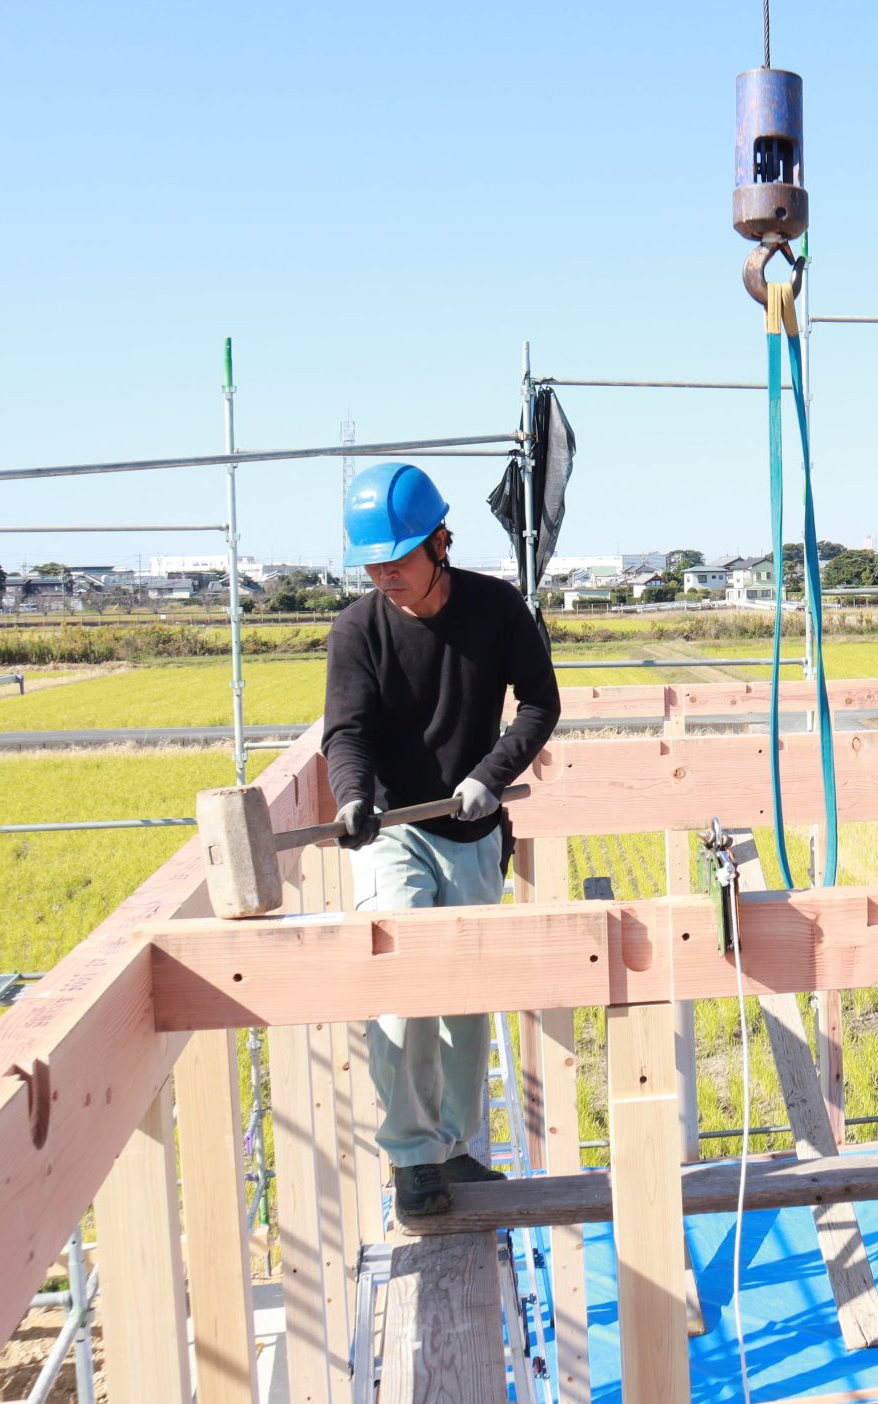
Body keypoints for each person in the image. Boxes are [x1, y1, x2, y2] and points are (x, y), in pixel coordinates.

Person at [323, 462, 561, 1217]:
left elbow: (539, 703)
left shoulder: (497, 609)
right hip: (392, 828)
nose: (385, 575)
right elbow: (346, 732)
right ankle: (413, 1158)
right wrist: (354, 795)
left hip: (473, 828)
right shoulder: (358, 630)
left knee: (465, 994)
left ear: (438, 542)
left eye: (398, 559)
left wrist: (492, 774)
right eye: (373, 564)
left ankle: (453, 1147)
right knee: (402, 988)